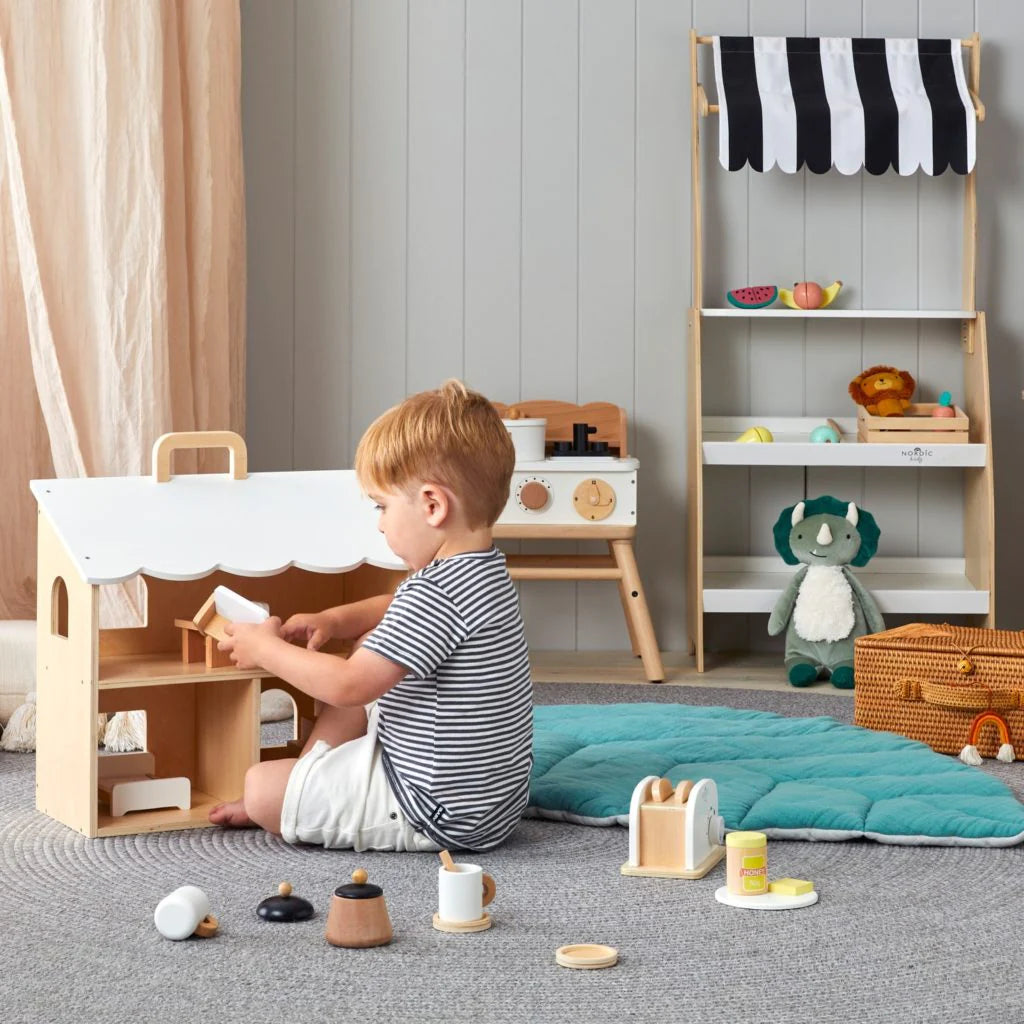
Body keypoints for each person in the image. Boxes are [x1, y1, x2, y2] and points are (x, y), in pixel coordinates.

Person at [209, 380, 533, 852]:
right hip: (492, 804)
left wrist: (266, 648)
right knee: (367, 645)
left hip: (429, 808)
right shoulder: (481, 573)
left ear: (432, 505)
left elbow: (348, 687)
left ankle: (293, 795)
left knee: (261, 787)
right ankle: (308, 784)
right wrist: (336, 620)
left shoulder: (436, 592)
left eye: (382, 506)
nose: (379, 521)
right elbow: (397, 611)